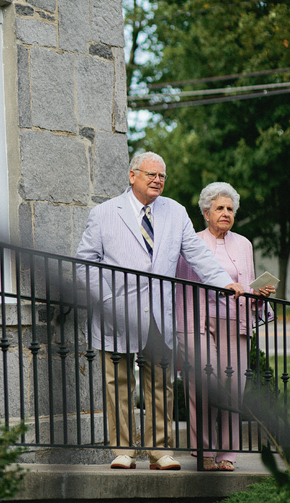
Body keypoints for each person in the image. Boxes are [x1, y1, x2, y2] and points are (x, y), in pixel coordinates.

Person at [75, 152, 244, 471]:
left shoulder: (176, 212)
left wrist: (224, 281)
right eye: (151, 174)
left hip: (158, 312)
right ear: (132, 176)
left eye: (162, 176)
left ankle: (159, 452)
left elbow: (197, 254)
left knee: (160, 384)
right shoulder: (104, 213)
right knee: (118, 382)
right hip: (117, 313)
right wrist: (106, 299)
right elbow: (85, 263)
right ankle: (123, 451)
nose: (157, 180)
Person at [175, 182, 274, 472]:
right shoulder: (192, 241)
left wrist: (260, 294)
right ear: (206, 212)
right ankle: (203, 450)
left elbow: (249, 284)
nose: (226, 213)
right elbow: (182, 289)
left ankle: (227, 455)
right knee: (202, 384)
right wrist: (183, 328)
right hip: (199, 322)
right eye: (220, 208)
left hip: (235, 322)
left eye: (230, 209)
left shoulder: (244, 244)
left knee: (233, 388)